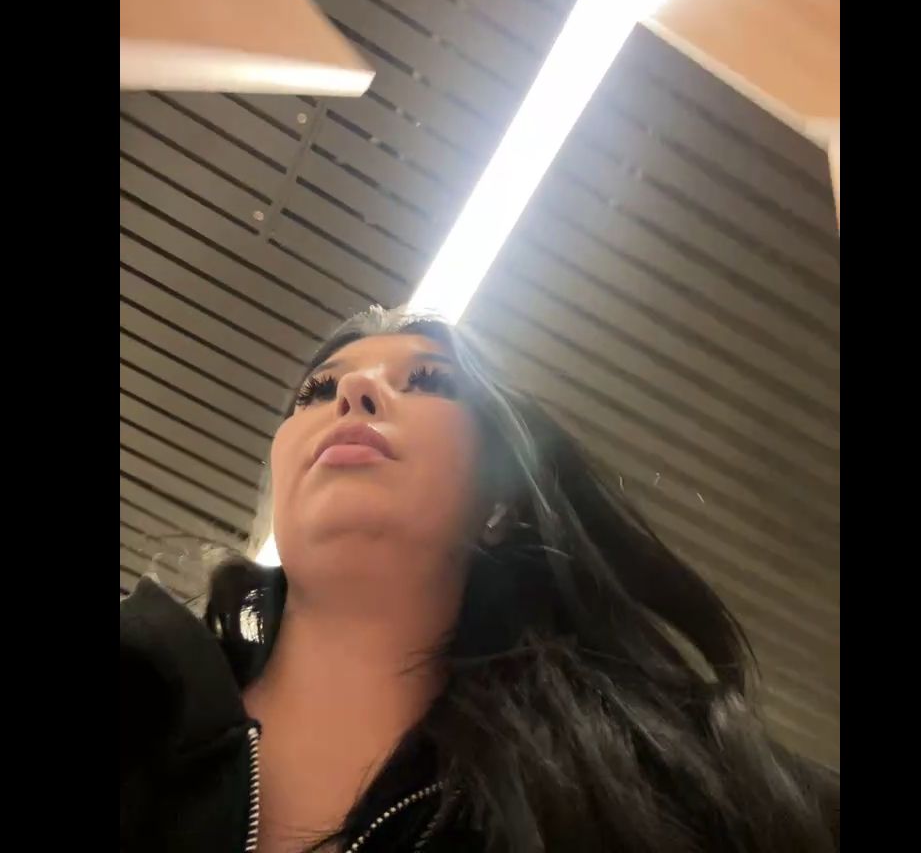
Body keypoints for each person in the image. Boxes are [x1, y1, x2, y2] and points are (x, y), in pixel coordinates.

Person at [121, 306, 839, 853]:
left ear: (502, 505)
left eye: (430, 381)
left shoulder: (668, 795)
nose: (356, 389)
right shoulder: (135, 692)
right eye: (316, 391)